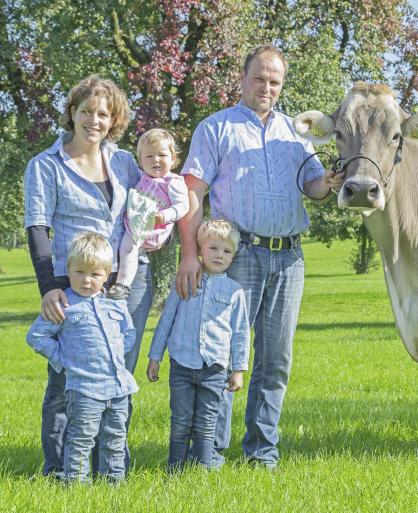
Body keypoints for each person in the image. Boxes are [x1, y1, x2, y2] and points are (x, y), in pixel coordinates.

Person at [175, 44, 336, 468]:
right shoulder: (215, 128)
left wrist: (332, 181)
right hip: (236, 256)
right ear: (243, 79)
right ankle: (211, 450)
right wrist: (189, 254)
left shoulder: (296, 134)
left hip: (289, 259)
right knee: (224, 354)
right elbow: (192, 192)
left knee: (275, 359)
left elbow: (314, 188)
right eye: (260, 78)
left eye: (275, 81)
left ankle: (262, 451)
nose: (267, 87)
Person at [23, 75, 153, 476]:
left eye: (103, 113)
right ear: (72, 113)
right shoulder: (46, 165)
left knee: (116, 374)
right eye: (86, 111)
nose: (93, 120)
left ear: (113, 120)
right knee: (68, 380)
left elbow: (145, 210)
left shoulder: (124, 162)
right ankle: (60, 469)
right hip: (71, 283)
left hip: (124, 284)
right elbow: (37, 228)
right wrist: (49, 289)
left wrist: (158, 229)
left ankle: (109, 467)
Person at [26, 232, 138, 483]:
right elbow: (36, 337)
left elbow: (129, 332)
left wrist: (118, 352)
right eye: (79, 272)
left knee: (115, 438)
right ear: (68, 270)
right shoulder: (64, 304)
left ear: (107, 275)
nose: (86, 280)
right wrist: (62, 360)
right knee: (81, 439)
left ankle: (113, 484)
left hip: (118, 388)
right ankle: (76, 487)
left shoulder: (115, 306)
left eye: (95, 274)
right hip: (84, 389)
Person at [147, 219, 249, 470]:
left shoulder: (235, 292)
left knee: (206, 422)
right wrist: (154, 356)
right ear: (200, 249)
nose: (219, 255)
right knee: (180, 420)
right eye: (213, 248)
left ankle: (201, 471)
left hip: (214, 369)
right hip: (181, 365)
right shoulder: (184, 281)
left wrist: (238, 370)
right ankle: (175, 469)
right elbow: (166, 320)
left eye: (226, 251)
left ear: (233, 256)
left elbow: (240, 333)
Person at [108, 128, 188, 300]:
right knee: (128, 249)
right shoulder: (141, 178)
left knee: (129, 248)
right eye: (149, 156)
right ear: (140, 161)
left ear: (173, 158)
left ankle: (123, 284)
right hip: (138, 224)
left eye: (162, 155)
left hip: (154, 228)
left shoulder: (172, 182)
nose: (156, 160)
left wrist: (164, 216)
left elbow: (182, 206)